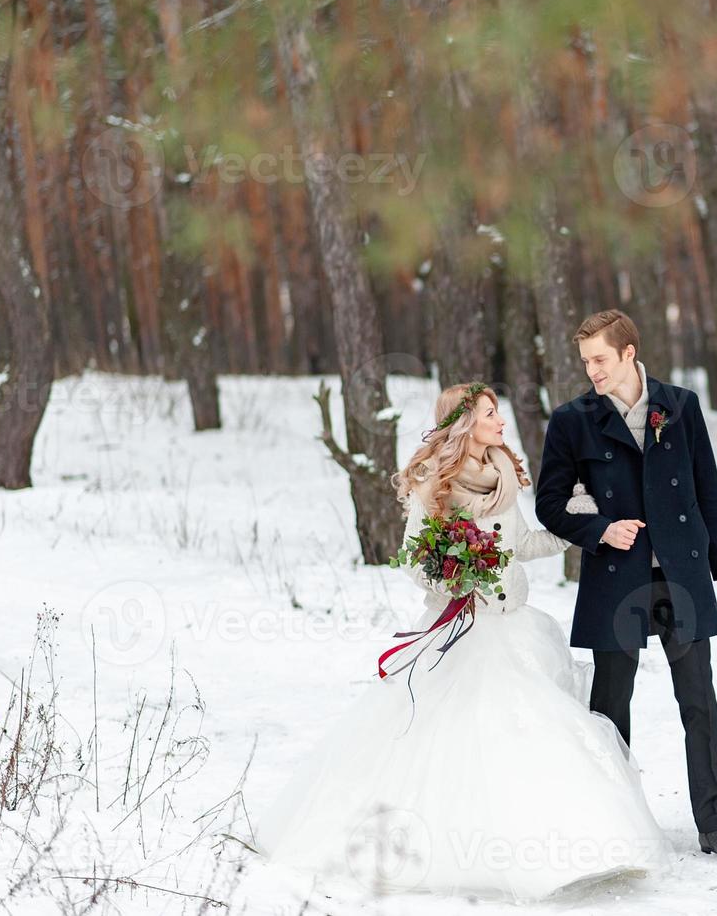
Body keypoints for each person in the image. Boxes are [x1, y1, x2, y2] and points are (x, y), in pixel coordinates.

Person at [253, 382, 675, 902]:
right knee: (465, 737)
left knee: (533, 733)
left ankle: (575, 843)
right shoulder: (435, 483)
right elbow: (414, 557)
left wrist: (581, 522)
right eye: (490, 413)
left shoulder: (501, 473)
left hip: (514, 625)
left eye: (499, 411)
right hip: (462, 629)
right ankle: (478, 852)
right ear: (463, 423)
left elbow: (520, 545)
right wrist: (455, 578)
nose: (501, 422)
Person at [534, 309, 717, 864]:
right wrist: (601, 529)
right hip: (615, 578)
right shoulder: (571, 420)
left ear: (629, 352)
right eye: (586, 362)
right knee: (610, 708)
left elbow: (708, 489)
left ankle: (715, 825)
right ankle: (613, 828)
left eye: (600, 359)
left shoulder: (681, 406)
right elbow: (549, 505)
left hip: (680, 573)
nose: (592, 371)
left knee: (698, 702)